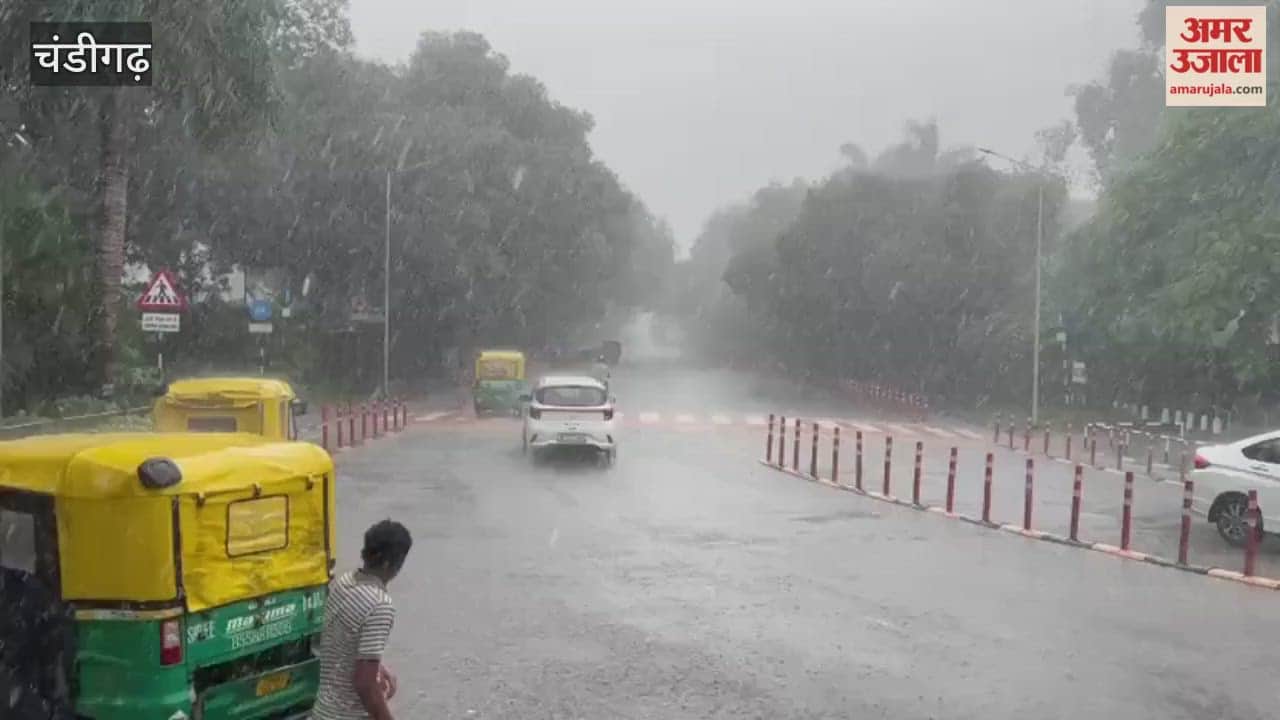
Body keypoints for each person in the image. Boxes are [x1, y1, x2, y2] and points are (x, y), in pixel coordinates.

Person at [312, 520, 413, 720]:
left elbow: (342, 641)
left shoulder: (343, 582)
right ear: (389, 563)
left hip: (322, 713)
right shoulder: (379, 605)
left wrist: (377, 667)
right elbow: (365, 684)